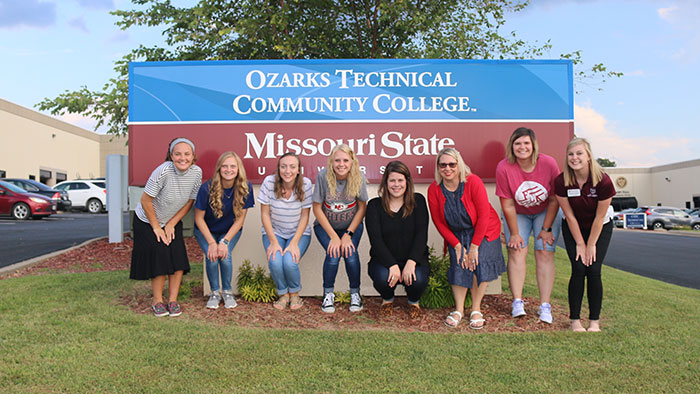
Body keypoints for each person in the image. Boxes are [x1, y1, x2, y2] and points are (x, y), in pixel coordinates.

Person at [427, 148, 506, 329]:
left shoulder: (473, 182)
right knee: (459, 263)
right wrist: (456, 245)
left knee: (480, 261)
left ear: (459, 164)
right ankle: (459, 309)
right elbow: (438, 222)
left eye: (452, 164)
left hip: (484, 230)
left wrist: (474, 246)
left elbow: (484, 215)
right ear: (438, 167)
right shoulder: (434, 189)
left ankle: (476, 308)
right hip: (457, 233)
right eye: (443, 165)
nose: (448, 168)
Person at [130, 137, 202, 317]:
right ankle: (157, 301)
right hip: (147, 220)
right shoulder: (162, 171)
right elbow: (146, 200)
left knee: (178, 258)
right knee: (160, 256)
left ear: (193, 156)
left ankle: (173, 301)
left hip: (171, 220)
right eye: (177, 154)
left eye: (187, 154)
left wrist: (171, 224)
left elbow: (190, 201)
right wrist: (157, 227)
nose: (182, 158)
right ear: (171, 156)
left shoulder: (197, 172)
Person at [496, 127, 561, 323]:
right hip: (518, 212)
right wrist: (514, 234)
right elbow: (507, 204)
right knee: (516, 250)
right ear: (512, 146)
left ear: (533, 145)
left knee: (544, 251)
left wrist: (546, 229)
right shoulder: (504, 167)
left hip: (546, 210)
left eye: (526, 143)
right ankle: (517, 302)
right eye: (517, 143)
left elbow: (554, 198)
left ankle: (545, 305)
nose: (522, 147)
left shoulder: (548, 163)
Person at [554, 138, 615, 332]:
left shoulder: (602, 180)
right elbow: (569, 215)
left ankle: (594, 322)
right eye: (571, 154)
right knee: (579, 269)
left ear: (588, 156)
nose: (575, 158)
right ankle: (575, 321)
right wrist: (580, 243)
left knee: (594, 270)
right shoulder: (561, 180)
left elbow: (600, 217)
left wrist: (591, 244)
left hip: (600, 226)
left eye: (579, 153)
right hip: (573, 227)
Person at [365, 161, 430, 319]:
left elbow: (422, 235)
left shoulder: (418, 201)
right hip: (384, 260)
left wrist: (411, 262)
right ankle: (387, 299)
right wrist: (392, 265)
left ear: (407, 182)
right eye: (392, 180)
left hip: (414, 259)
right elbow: (376, 240)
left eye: (400, 180)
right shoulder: (374, 206)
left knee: (418, 280)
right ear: (386, 182)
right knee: (382, 278)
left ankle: (413, 301)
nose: (396, 185)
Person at [194, 151, 254, 310]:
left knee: (225, 256)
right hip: (206, 230)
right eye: (225, 166)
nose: (229, 170)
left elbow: (240, 219)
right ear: (219, 169)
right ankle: (215, 292)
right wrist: (212, 243)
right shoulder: (207, 188)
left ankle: (227, 291)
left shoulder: (245, 187)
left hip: (230, 231)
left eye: (233, 166)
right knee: (212, 256)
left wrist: (224, 241)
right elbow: (198, 219)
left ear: (238, 168)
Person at [313, 144, 368, 313]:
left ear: (352, 162)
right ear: (331, 162)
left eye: (345, 160)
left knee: (350, 254)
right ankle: (328, 294)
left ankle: (355, 294)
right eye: (337, 160)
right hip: (326, 227)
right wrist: (334, 237)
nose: (341, 164)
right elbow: (316, 208)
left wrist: (348, 234)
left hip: (351, 227)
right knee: (334, 253)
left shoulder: (358, 177)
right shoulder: (323, 176)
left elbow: (362, 208)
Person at [258, 152, 313, 310]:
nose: (287, 171)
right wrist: (274, 242)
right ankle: (284, 294)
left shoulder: (306, 184)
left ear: (298, 170)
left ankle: (295, 293)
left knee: (289, 262)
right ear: (278, 169)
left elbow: (305, 216)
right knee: (275, 261)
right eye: (283, 166)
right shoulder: (269, 182)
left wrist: (294, 243)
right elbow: (264, 214)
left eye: (292, 167)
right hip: (274, 232)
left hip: (299, 233)